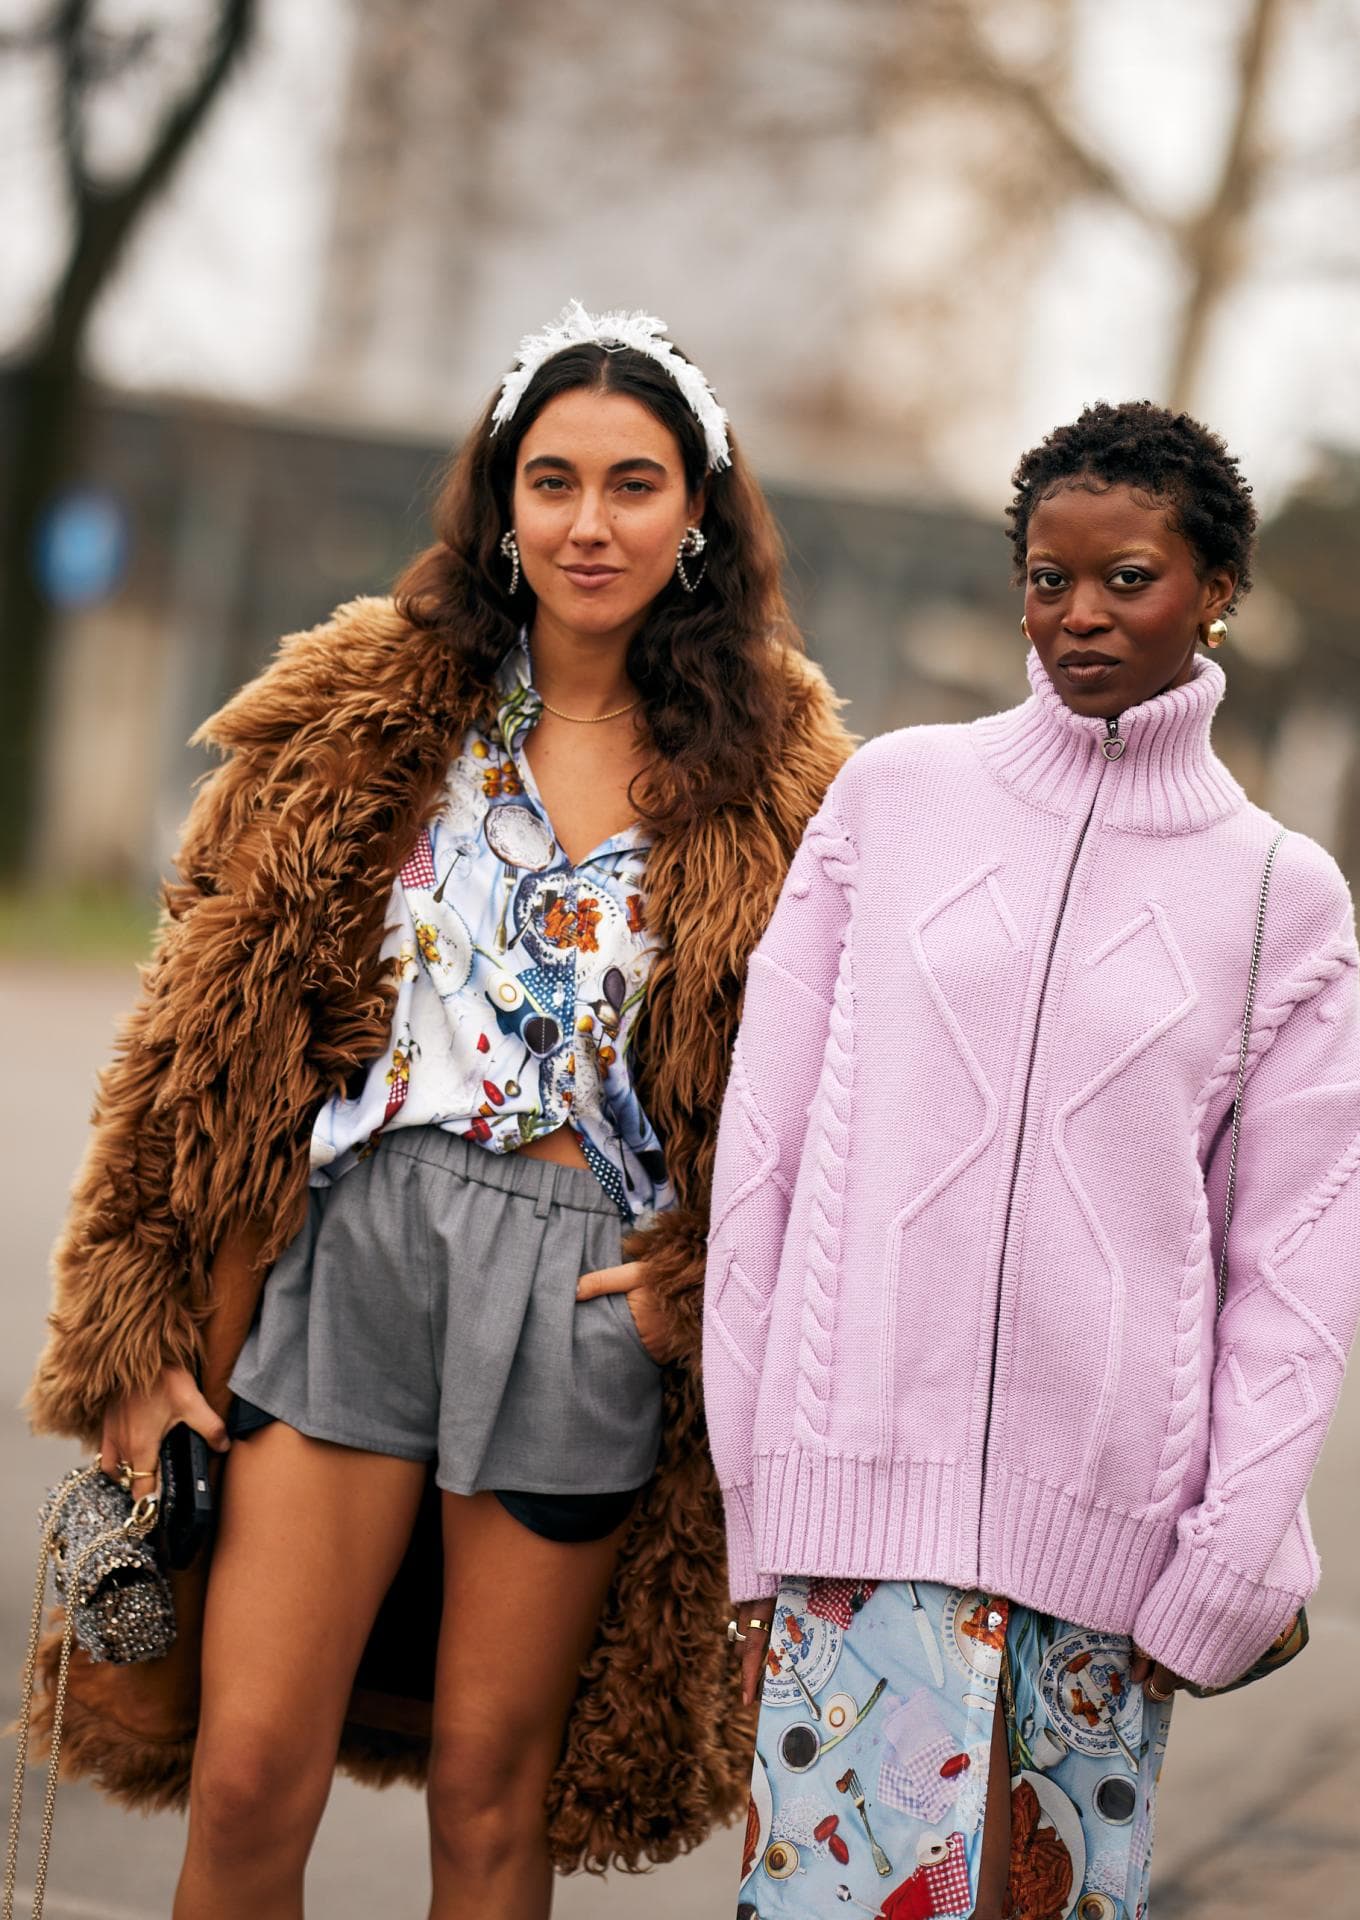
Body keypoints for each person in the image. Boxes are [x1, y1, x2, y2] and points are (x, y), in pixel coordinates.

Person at [26, 301, 853, 1919]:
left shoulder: (788, 778)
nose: (589, 523)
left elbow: (838, 1092)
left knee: (489, 1802)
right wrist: (134, 1323)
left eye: (633, 483)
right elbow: (201, 1031)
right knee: (247, 1773)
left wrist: (704, 1283)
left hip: (582, 1287)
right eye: (553, 480)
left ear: (698, 510)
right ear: (501, 499)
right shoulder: (366, 707)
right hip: (352, 1248)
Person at [707, 401, 1360, 1919]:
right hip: (851, 1542)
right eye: (1048, 578)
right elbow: (767, 1158)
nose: (1080, 614)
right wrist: (759, 1502)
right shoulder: (894, 799)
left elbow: (1299, 1267)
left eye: (1128, 578)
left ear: (1216, 590)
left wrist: (1228, 1557)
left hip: (1109, 1579)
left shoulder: (1279, 897)